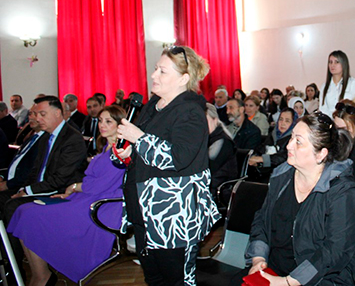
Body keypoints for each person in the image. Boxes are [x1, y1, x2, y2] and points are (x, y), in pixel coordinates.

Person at [115, 46, 220, 286]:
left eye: (162, 71)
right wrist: (130, 151)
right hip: (145, 210)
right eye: (155, 69)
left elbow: (177, 159)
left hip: (173, 216)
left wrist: (139, 138)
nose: (154, 75)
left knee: (176, 281)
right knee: (154, 279)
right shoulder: (154, 105)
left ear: (183, 79)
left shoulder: (191, 111)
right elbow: (149, 149)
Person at [236, 112, 355, 286]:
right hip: (278, 267)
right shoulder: (281, 177)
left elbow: (336, 250)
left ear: (321, 154)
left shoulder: (342, 191)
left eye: (298, 142)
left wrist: (288, 282)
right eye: (291, 138)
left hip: (323, 276)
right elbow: (262, 220)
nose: (289, 146)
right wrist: (258, 258)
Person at [8, 105, 127, 285]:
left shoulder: (120, 151)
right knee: (23, 211)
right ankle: (40, 273)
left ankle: (41, 276)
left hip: (102, 205)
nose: (102, 125)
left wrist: (73, 187)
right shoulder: (107, 148)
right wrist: (70, 193)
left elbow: (98, 186)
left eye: (108, 121)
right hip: (87, 197)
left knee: (29, 215)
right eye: (100, 121)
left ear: (120, 125)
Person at [0, 105, 44, 192]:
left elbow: (30, 172)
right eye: (30, 114)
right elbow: (15, 164)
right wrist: (2, 176)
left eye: (35, 114)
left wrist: (7, 184)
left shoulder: (45, 141)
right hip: (9, 180)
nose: (31, 117)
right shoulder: (31, 138)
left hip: (20, 186)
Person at [248, 108, 298, 179]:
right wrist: (255, 157)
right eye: (281, 119)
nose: (283, 123)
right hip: (265, 173)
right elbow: (261, 148)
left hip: (283, 176)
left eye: (287, 121)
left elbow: (283, 157)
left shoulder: (293, 139)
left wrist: (261, 159)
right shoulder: (273, 134)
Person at [319, 50, 355, 115]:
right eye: (330, 62)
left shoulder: (353, 83)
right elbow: (322, 109)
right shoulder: (324, 86)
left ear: (344, 64)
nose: (332, 65)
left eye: (336, 62)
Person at [206, 104, 236, 196]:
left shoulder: (222, 141)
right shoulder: (208, 138)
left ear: (215, 120)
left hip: (218, 188)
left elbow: (210, 168)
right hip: (210, 183)